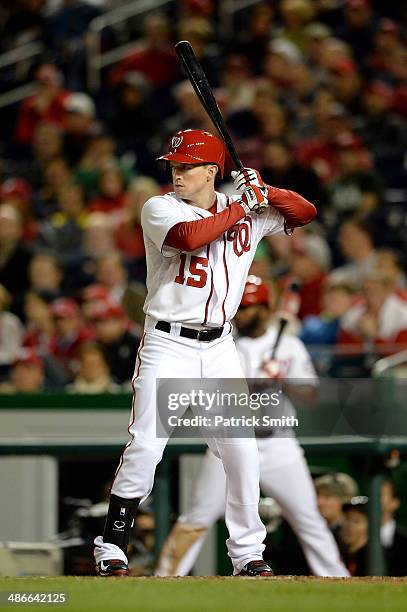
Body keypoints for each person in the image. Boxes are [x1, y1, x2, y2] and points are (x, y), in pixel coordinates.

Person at [93, 128, 316, 577]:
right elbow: (191, 238)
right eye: (174, 166)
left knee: (241, 450)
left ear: (212, 171)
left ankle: (248, 553)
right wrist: (242, 205)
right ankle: (112, 546)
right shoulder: (159, 207)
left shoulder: (249, 210)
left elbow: (306, 212)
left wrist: (265, 190)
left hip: (219, 347)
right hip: (168, 342)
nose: (177, 174)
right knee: (147, 446)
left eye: (187, 167)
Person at [155, 276, 348, 577]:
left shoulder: (289, 346)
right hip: (228, 442)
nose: (241, 313)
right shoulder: (219, 343)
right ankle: (163, 578)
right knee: (197, 516)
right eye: (238, 307)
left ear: (265, 308)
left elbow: (311, 396)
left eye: (248, 307)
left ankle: (339, 579)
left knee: (309, 519)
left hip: (278, 444)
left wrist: (282, 379)